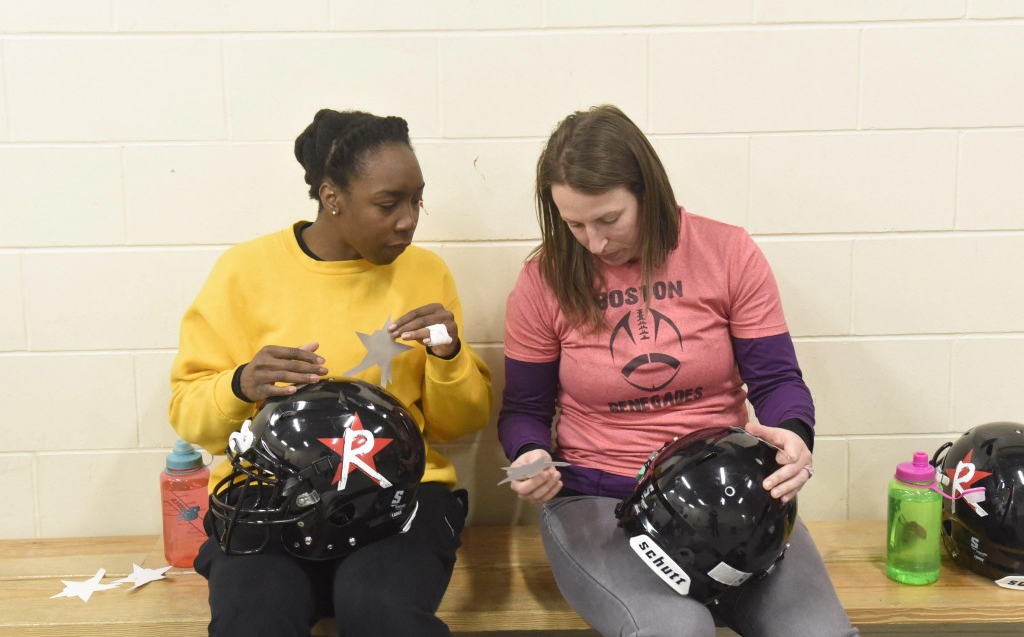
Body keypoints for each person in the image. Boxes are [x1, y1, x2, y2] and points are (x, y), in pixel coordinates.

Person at [498, 105, 858, 636]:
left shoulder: (727, 252)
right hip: (601, 498)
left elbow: (778, 382)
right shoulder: (543, 279)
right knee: (674, 631)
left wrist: (796, 436)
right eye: (574, 224)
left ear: (648, 191)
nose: (594, 242)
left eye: (608, 219)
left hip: (726, 494)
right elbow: (523, 411)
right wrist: (529, 455)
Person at [169, 108, 492, 637]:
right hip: (266, 502)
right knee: (255, 622)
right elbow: (189, 416)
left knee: (380, 612)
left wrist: (448, 355)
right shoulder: (244, 272)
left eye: (417, 200)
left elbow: (462, 423)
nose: (408, 219)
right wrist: (238, 384)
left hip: (400, 496)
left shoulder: (427, 272)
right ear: (331, 197)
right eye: (388, 204)